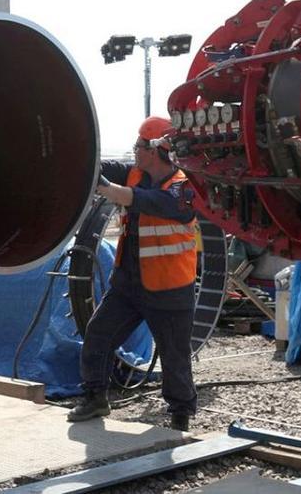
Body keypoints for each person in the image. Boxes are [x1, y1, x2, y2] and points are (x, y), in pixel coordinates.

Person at [67, 116, 198, 431]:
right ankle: (95, 396)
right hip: (129, 284)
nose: (134, 150)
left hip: (168, 289)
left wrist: (106, 188)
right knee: (98, 333)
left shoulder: (182, 189)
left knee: (174, 356)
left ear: (154, 150)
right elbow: (100, 167)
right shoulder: (134, 173)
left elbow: (140, 200)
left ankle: (180, 415)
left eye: (139, 145)